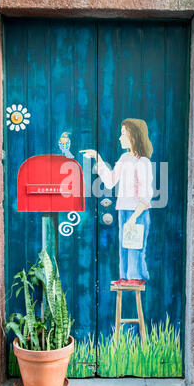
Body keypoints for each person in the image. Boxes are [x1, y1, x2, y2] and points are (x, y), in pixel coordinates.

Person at [80, 118, 153, 286]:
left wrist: (135, 216)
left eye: (123, 134)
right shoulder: (124, 158)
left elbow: (146, 193)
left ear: (133, 136)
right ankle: (125, 276)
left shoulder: (143, 162)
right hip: (124, 210)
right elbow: (111, 180)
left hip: (138, 212)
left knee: (135, 245)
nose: (120, 138)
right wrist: (97, 158)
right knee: (125, 244)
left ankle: (136, 276)